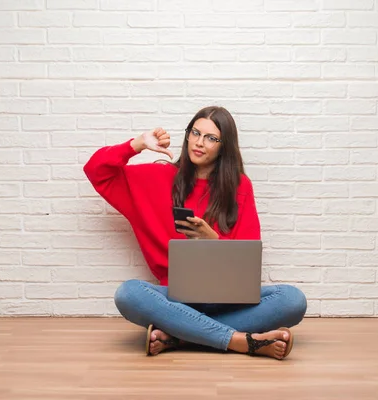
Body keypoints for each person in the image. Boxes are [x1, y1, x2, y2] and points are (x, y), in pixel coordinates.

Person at [84, 106, 307, 360]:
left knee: (292, 300)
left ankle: (179, 335)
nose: (199, 143)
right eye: (195, 133)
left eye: (211, 138)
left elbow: (248, 258)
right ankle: (238, 341)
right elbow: (96, 171)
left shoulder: (240, 186)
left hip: (227, 299)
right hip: (176, 298)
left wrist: (212, 240)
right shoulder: (156, 177)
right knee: (128, 294)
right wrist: (138, 144)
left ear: (224, 146)